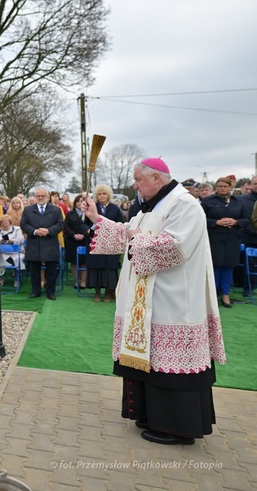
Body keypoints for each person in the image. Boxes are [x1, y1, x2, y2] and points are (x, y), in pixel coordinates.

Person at [83, 157, 226, 446]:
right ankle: (152, 415)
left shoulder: (184, 204)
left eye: (138, 180)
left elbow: (175, 246)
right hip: (148, 299)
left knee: (170, 361)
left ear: (156, 179)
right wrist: (97, 219)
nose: (135, 185)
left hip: (174, 300)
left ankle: (178, 427)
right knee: (152, 359)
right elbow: (128, 234)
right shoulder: (154, 205)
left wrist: (137, 239)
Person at [200, 177, 250, 308]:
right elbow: (199, 219)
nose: (222, 188)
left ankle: (225, 295)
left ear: (231, 187)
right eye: (219, 186)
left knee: (228, 267)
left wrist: (236, 222)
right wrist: (215, 222)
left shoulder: (238, 202)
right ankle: (213, 295)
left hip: (232, 239)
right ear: (216, 187)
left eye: (225, 186)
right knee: (215, 267)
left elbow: (246, 219)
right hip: (214, 239)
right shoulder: (207, 201)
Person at [20, 186, 64, 300]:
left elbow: (60, 224)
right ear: (35, 197)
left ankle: (50, 292)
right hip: (34, 243)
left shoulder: (55, 210)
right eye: (38, 196)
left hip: (50, 243)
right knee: (34, 271)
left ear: (47, 197)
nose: (40, 198)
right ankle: (36, 291)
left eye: (43, 196)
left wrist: (48, 231)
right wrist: (34, 231)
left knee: (51, 270)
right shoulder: (28, 210)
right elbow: (23, 224)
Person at [85, 184, 124, 302]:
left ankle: (108, 292)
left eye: (104, 194)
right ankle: (97, 292)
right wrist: (87, 230)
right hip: (95, 241)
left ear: (109, 195)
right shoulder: (92, 207)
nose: (102, 196)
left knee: (109, 268)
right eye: (99, 194)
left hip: (111, 243)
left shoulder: (115, 209)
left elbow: (120, 224)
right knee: (95, 267)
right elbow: (84, 222)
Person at [63, 193, 90, 289]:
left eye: (82, 201)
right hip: (72, 240)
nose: (80, 203)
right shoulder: (70, 213)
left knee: (84, 262)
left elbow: (91, 226)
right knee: (73, 261)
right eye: (78, 201)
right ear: (75, 203)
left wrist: (84, 234)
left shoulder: (88, 213)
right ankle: (76, 280)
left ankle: (83, 281)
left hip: (85, 240)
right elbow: (66, 226)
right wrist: (73, 235)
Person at [0, 214, 25, 287]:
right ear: (0, 224)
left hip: (17, 252)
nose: (5, 226)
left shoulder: (17, 229)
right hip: (3, 252)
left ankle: (17, 279)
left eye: (7, 224)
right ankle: (1, 279)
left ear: (10, 223)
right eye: (3, 224)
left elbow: (21, 240)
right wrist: (0, 242)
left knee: (18, 259)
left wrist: (12, 241)